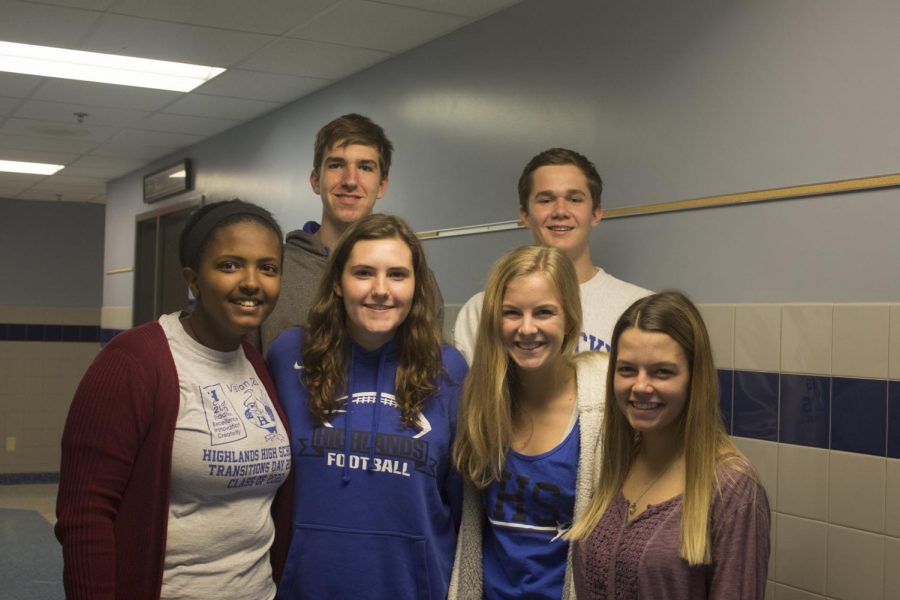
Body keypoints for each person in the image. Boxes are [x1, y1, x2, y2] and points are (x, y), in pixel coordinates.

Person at [56, 200, 292, 600]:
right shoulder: (134, 361)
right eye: (230, 265)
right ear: (194, 280)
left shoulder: (255, 361)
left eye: (267, 268)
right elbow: (85, 516)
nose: (252, 282)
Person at [267, 213, 467, 599]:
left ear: (416, 285)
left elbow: (460, 503)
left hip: (414, 588)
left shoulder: (449, 369)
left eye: (397, 274)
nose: (380, 290)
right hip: (305, 588)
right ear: (338, 283)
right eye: (363, 273)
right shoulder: (289, 355)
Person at [568, 291, 770, 599]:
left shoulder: (731, 488)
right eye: (627, 370)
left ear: (694, 378)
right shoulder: (618, 462)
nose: (640, 386)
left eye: (662, 372)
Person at [449, 245, 609, 599]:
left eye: (544, 312)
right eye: (511, 313)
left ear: (569, 318)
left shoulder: (602, 412)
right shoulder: (480, 404)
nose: (526, 328)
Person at [258, 113, 442, 354]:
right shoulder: (275, 269)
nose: (350, 181)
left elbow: (427, 367)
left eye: (365, 167)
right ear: (315, 181)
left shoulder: (413, 279)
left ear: (382, 185)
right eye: (336, 165)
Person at [454, 148, 650, 363]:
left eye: (575, 199)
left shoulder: (638, 307)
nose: (560, 211)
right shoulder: (481, 310)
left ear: (595, 213)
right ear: (525, 215)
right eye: (545, 200)